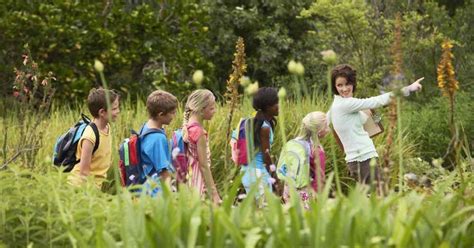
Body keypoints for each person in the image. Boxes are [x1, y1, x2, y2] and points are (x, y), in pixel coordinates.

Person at [327, 64, 423, 189]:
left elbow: (375, 119)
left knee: (375, 200)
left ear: (353, 83)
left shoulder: (342, 104)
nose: (344, 88)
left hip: (362, 158)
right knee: (381, 197)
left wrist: (376, 117)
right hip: (362, 159)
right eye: (339, 85)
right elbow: (378, 100)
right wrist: (409, 88)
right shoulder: (346, 104)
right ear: (335, 87)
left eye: (347, 84)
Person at [68, 88, 120, 189]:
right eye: (114, 109)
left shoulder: (107, 127)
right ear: (102, 112)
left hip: (97, 186)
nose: (118, 111)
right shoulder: (89, 136)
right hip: (81, 188)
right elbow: (84, 173)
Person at [278, 111, 329, 206]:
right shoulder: (317, 151)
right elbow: (320, 178)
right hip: (306, 192)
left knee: (291, 216)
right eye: (326, 127)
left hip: (289, 189)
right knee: (306, 219)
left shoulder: (293, 143)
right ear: (319, 131)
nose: (328, 129)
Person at [182, 89, 221, 204]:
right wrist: (214, 194)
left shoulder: (187, 128)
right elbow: (204, 166)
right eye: (212, 108)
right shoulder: (199, 133)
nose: (215, 111)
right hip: (197, 179)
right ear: (201, 109)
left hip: (187, 177)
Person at [241, 87, 280, 197]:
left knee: (256, 212)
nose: (279, 106)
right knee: (266, 212)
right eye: (276, 103)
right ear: (268, 107)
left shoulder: (250, 122)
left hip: (246, 172)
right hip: (258, 174)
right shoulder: (264, 128)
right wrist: (276, 180)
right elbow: (266, 157)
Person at [140, 90, 178, 197]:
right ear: (161, 114)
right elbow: (164, 173)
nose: (174, 116)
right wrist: (170, 198)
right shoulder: (158, 138)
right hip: (155, 192)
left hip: (144, 187)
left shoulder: (146, 127)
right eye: (172, 113)